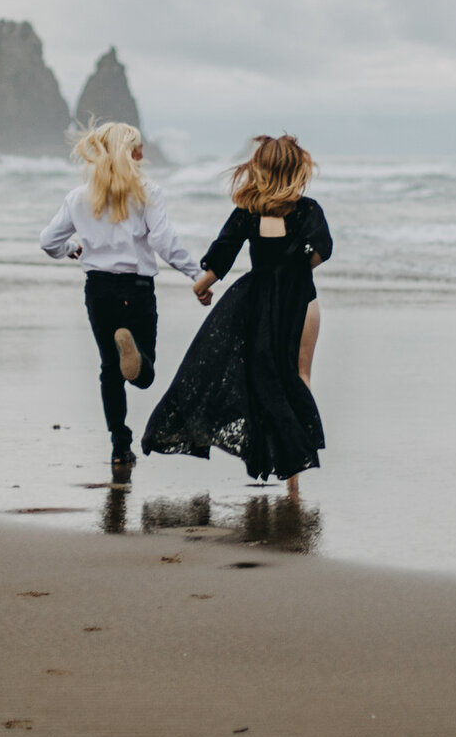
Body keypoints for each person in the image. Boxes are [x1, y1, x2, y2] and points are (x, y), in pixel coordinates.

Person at [141, 134, 332, 494]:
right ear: (296, 169)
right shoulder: (308, 210)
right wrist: (294, 259)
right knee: (299, 375)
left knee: (258, 378)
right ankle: (294, 470)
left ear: (258, 167)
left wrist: (202, 285)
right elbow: (319, 253)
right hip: (302, 302)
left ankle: (275, 456)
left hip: (256, 304)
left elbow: (223, 254)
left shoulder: (247, 211)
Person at [39, 121, 204, 477]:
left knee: (108, 371)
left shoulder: (79, 196)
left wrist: (73, 248)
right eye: (139, 147)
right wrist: (196, 274)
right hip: (137, 290)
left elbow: (48, 242)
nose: (144, 154)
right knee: (144, 374)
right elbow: (163, 243)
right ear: (129, 152)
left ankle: (119, 445)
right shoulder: (148, 192)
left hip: (99, 290)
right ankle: (136, 354)